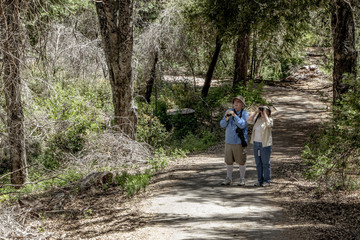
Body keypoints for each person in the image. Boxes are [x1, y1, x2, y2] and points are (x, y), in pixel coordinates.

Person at [220, 96, 249, 186]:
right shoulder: (228, 112)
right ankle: (228, 178)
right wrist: (227, 118)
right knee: (228, 161)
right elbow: (222, 124)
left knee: (241, 161)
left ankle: (242, 179)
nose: (236, 104)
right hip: (229, 141)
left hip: (239, 142)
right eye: (235, 102)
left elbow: (242, 125)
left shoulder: (245, 113)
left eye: (238, 102)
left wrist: (235, 116)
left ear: (242, 105)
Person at [247, 105, 273, 187]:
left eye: (265, 110)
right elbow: (248, 120)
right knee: (258, 163)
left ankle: (267, 180)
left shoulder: (269, 119)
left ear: (268, 112)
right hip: (256, 143)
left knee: (265, 163)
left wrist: (265, 114)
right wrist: (256, 112)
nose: (263, 111)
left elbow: (269, 124)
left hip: (265, 144)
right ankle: (260, 180)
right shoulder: (257, 120)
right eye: (262, 109)